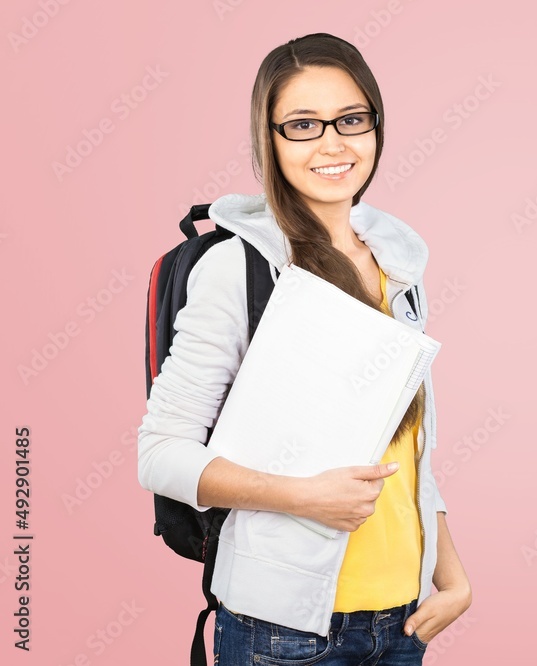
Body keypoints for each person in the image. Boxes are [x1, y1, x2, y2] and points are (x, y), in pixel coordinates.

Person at [137, 32, 471, 665]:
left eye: (350, 118)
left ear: (376, 124)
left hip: (403, 624)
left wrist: (451, 577)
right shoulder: (239, 268)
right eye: (302, 125)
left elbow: (408, 455)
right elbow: (159, 454)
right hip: (285, 635)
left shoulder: (398, 264)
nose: (332, 143)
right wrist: (302, 497)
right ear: (270, 138)